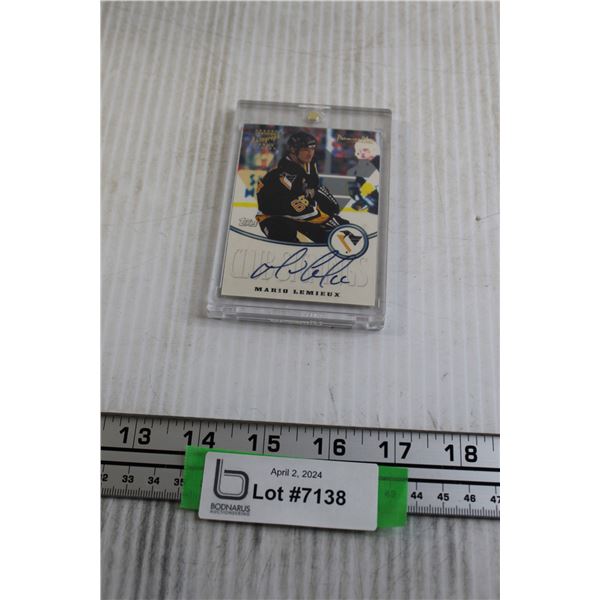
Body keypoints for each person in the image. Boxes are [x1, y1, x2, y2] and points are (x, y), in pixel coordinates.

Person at [255, 131, 349, 243]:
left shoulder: (308, 161)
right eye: (305, 150)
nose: (310, 154)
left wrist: (312, 189)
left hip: (294, 209)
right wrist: (328, 220)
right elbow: (295, 207)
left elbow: (313, 181)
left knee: (329, 205)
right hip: (271, 215)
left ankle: (326, 235)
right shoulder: (286, 172)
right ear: (293, 150)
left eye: (312, 149)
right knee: (285, 233)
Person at [348, 137, 380, 214]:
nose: (362, 153)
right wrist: (363, 201)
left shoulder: (383, 162)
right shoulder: (359, 170)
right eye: (359, 151)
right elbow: (354, 191)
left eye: (365, 150)